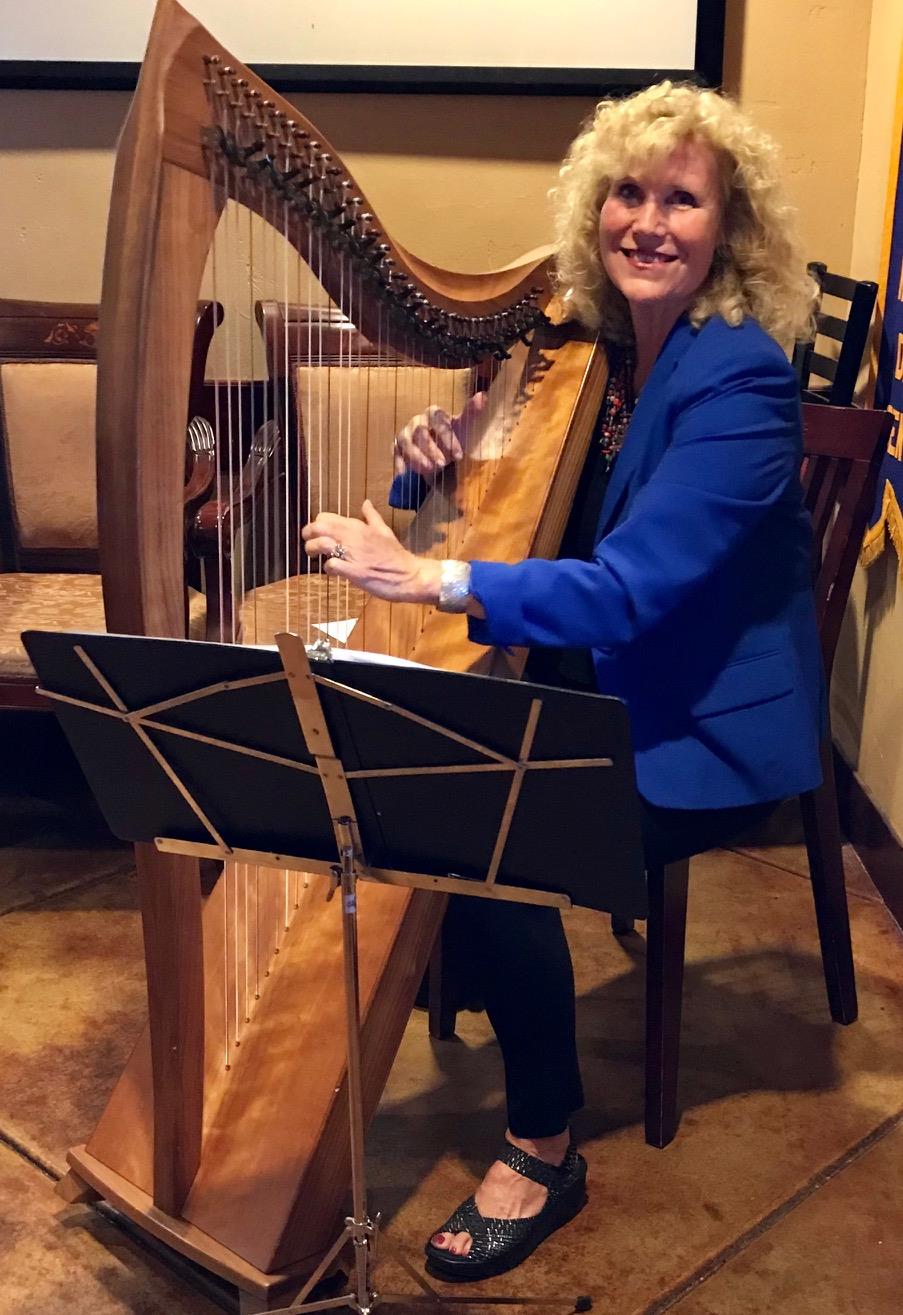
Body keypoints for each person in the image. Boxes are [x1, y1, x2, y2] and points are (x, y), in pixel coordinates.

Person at [302, 81, 822, 1282]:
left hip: (697, 724)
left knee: (477, 835)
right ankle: (474, 954)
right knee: (412, 750)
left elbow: (629, 588)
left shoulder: (742, 385)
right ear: (596, 209)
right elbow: (510, 491)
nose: (648, 222)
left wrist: (425, 578)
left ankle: (542, 1146)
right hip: (594, 676)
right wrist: (437, 462)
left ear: (730, 227)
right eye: (628, 192)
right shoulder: (593, 348)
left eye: (682, 200)